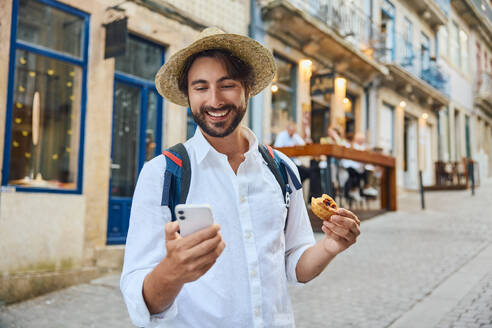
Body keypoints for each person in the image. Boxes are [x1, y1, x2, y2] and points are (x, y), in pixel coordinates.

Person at [120, 27, 360, 328]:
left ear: (247, 87)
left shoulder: (282, 168)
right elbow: (141, 299)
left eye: (227, 84)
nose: (215, 100)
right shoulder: (163, 173)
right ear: (188, 95)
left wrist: (330, 246)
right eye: (200, 87)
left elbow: (294, 262)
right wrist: (173, 271)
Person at [342, 132, 378, 201]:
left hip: (360, 168)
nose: (361, 141)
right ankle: (355, 190)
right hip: (351, 167)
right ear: (356, 139)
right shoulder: (351, 145)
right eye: (360, 139)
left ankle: (366, 188)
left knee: (368, 171)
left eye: (362, 139)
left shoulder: (363, 147)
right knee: (356, 173)